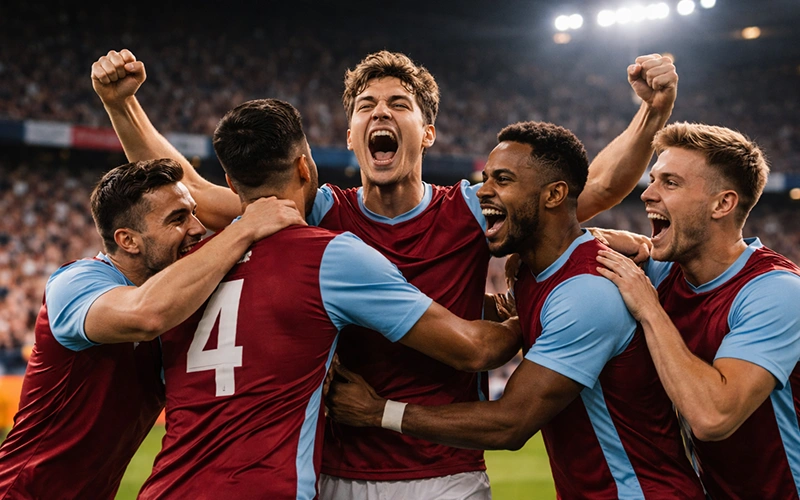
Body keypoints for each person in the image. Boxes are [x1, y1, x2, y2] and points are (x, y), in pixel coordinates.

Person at [92, 48, 676, 498]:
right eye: (366, 105)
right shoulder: (319, 212)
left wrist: (651, 112)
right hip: (336, 471)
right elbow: (192, 192)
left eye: (399, 103)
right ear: (350, 137)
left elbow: (592, 187)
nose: (380, 112)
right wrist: (122, 105)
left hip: (445, 472)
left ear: (427, 133)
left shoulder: (469, 209)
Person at [135, 99, 523, 499]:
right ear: (305, 167)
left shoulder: (181, 274)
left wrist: (122, 103)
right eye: (367, 104)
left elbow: (194, 190)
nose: (381, 112)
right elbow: (474, 349)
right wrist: (527, 312)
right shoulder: (331, 256)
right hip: (267, 489)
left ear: (232, 185)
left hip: (166, 487)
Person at [326, 121, 704, 499]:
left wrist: (378, 411)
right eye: (486, 178)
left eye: (502, 180)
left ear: (554, 194)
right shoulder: (530, 273)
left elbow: (510, 423)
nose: (484, 191)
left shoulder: (588, 290)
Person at [0, 159, 302, 499]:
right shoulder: (75, 283)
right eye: (178, 219)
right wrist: (244, 228)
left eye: (193, 213)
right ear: (128, 240)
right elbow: (146, 315)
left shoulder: (179, 303)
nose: (198, 228)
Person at [596, 122, 800, 499]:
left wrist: (650, 309)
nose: (647, 194)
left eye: (670, 183)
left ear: (722, 204)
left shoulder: (777, 292)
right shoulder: (664, 271)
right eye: (653, 180)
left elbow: (713, 417)